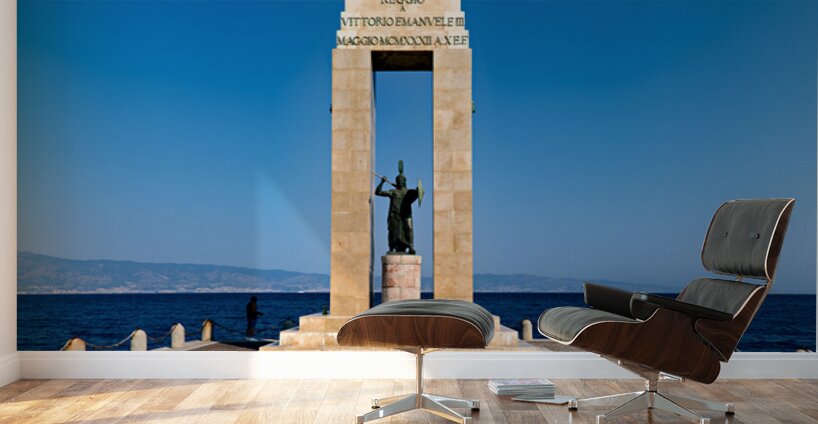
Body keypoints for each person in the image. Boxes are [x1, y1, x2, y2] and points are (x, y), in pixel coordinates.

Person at [375, 170, 419, 254]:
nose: (399, 181)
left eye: (401, 180)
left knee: (408, 230)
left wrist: (418, 191)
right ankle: (391, 248)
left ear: (404, 181)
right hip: (394, 214)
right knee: (392, 231)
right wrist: (382, 182)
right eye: (398, 180)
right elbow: (378, 192)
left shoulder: (409, 192)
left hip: (406, 215)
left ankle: (411, 247)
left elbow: (418, 194)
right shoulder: (393, 192)